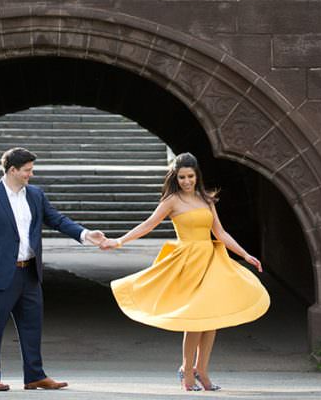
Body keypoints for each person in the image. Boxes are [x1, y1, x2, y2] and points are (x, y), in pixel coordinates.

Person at [100, 152, 270, 392]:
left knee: (212, 318)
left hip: (210, 259)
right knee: (194, 319)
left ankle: (202, 370)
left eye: (190, 176)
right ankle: (187, 370)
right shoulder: (172, 201)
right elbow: (148, 225)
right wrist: (118, 241)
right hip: (188, 262)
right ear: (175, 178)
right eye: (182, 177)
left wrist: (244, 254)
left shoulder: (207, 199)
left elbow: (220, 233)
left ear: (196, 175)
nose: (187, 181)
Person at [0, 146, 105, 392]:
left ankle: (34, 376)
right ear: (12, 170)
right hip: (1, 274)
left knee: (32, 326)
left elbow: (57, 220)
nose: (31, 175)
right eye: (27, 170)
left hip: (29, 272)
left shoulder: (35, 195)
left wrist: (85, 234)